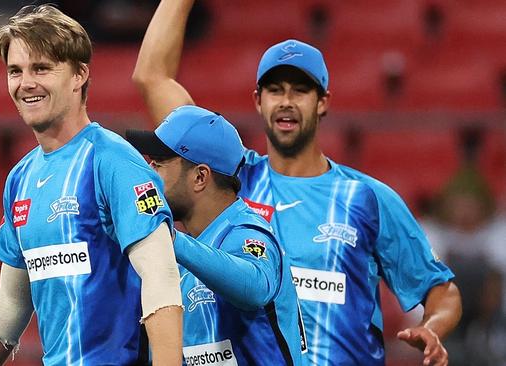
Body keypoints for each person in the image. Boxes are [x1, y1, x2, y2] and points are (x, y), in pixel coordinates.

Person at [131, 1, 462, 365]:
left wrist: (432, 326)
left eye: (300, 90)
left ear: (323, 101)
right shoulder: (227, 179)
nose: (286, 101)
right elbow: (152, 78)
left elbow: (440, 289)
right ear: (257, 100)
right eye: (275, 90)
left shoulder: (365, 198)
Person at [0, 5, 183, 365]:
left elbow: (161, 276)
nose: (25, 83)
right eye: (15, 71)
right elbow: (10, 303)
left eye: (41, 68)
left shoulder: (113, 161)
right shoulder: (21, 178)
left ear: (79, 74)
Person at [126, 105, 306, 365]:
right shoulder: (180, 250)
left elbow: (255, 287)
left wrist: (171, 240)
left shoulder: (248, 232)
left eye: (159, 164)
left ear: (200, 177)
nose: (149, 175)